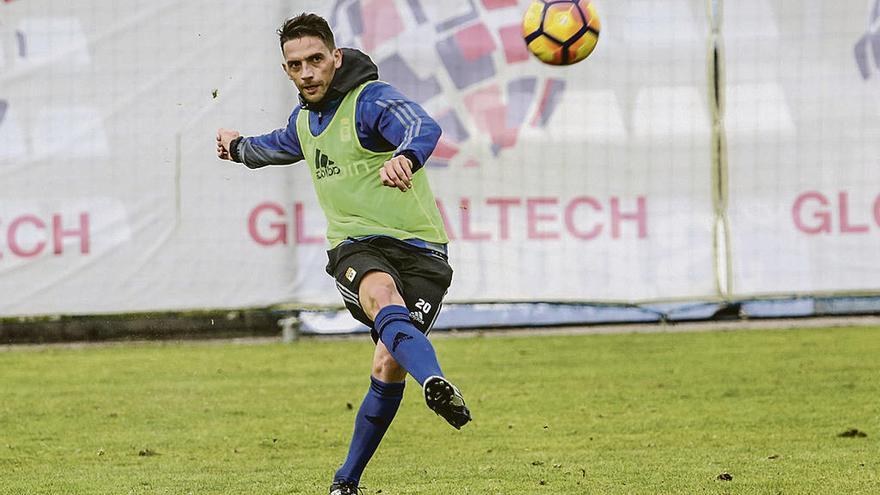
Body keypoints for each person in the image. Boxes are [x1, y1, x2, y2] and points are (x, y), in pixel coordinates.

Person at [215, 12, 471, 495]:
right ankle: (434, 382)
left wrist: (404, 155)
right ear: (286, 70)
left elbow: (422, 125)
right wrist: (238, 147)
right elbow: (274, 146)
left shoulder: (370, 101)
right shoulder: (304, 121)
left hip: (423, 251)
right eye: (295, 65)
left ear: (335, 58)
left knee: (387, 363)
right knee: (382, 293)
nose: (307, 72)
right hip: (357, 247)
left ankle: (345, 482)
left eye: (315, 60)